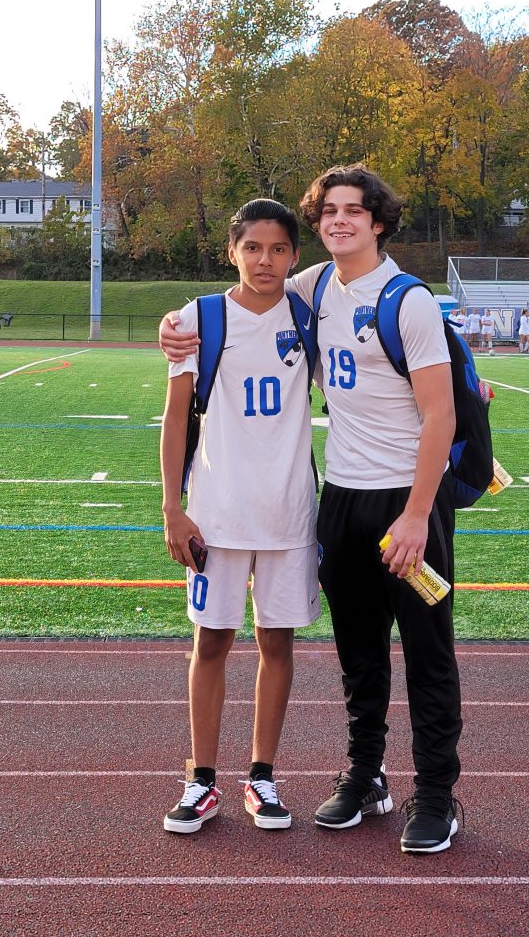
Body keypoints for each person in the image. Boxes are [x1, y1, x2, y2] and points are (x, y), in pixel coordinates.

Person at [161, 164, 462, 855]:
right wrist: (169, 328)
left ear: (379, 221)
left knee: (426, 651)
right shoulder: (315, 287)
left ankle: (439, 794)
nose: (339, 220)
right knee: (359, 651)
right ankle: (367, 774)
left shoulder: (408, 299)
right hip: (340, 500)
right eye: (329, 210)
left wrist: (418, 513)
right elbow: (232, 299)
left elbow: (440, 414)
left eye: (354, 210)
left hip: (406, 501)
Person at [160, 199, 320, 835]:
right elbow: (176, 419)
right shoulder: (201, 318)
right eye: (253, 247)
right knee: (213, 641)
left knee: (277, 642)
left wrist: (468, 381)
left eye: (279, 249)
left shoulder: (309, 315)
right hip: (217, 515)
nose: (265, 260)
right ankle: (202, 780)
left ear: (294, 258)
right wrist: (172, 508)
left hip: (288, 513)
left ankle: (262, 774)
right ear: (233, 251)